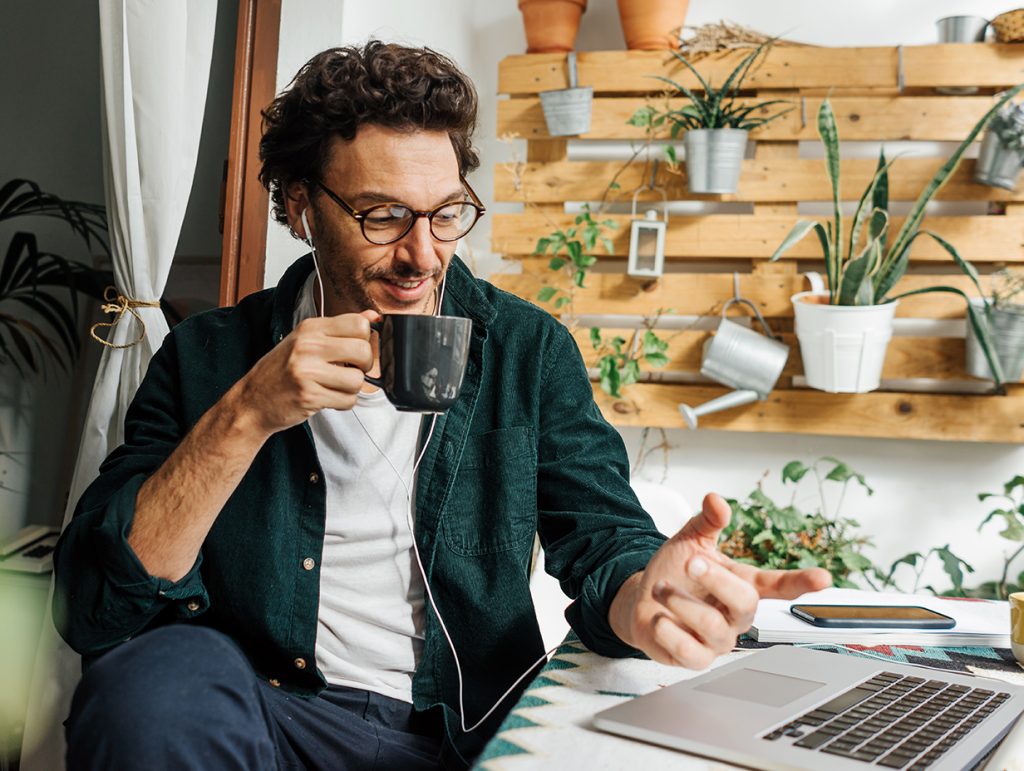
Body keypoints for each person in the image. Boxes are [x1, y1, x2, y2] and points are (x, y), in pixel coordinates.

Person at [52, 41, 830, 770]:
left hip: (458, 728)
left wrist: (646, 596)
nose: (422, 255)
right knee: (149, 682)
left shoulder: (526, 349)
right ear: (300, 208)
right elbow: (99, 606)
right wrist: (249, 410)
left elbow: (602, 543)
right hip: (266, 712)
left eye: (447, 212)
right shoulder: (209, 356)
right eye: (382, 215)